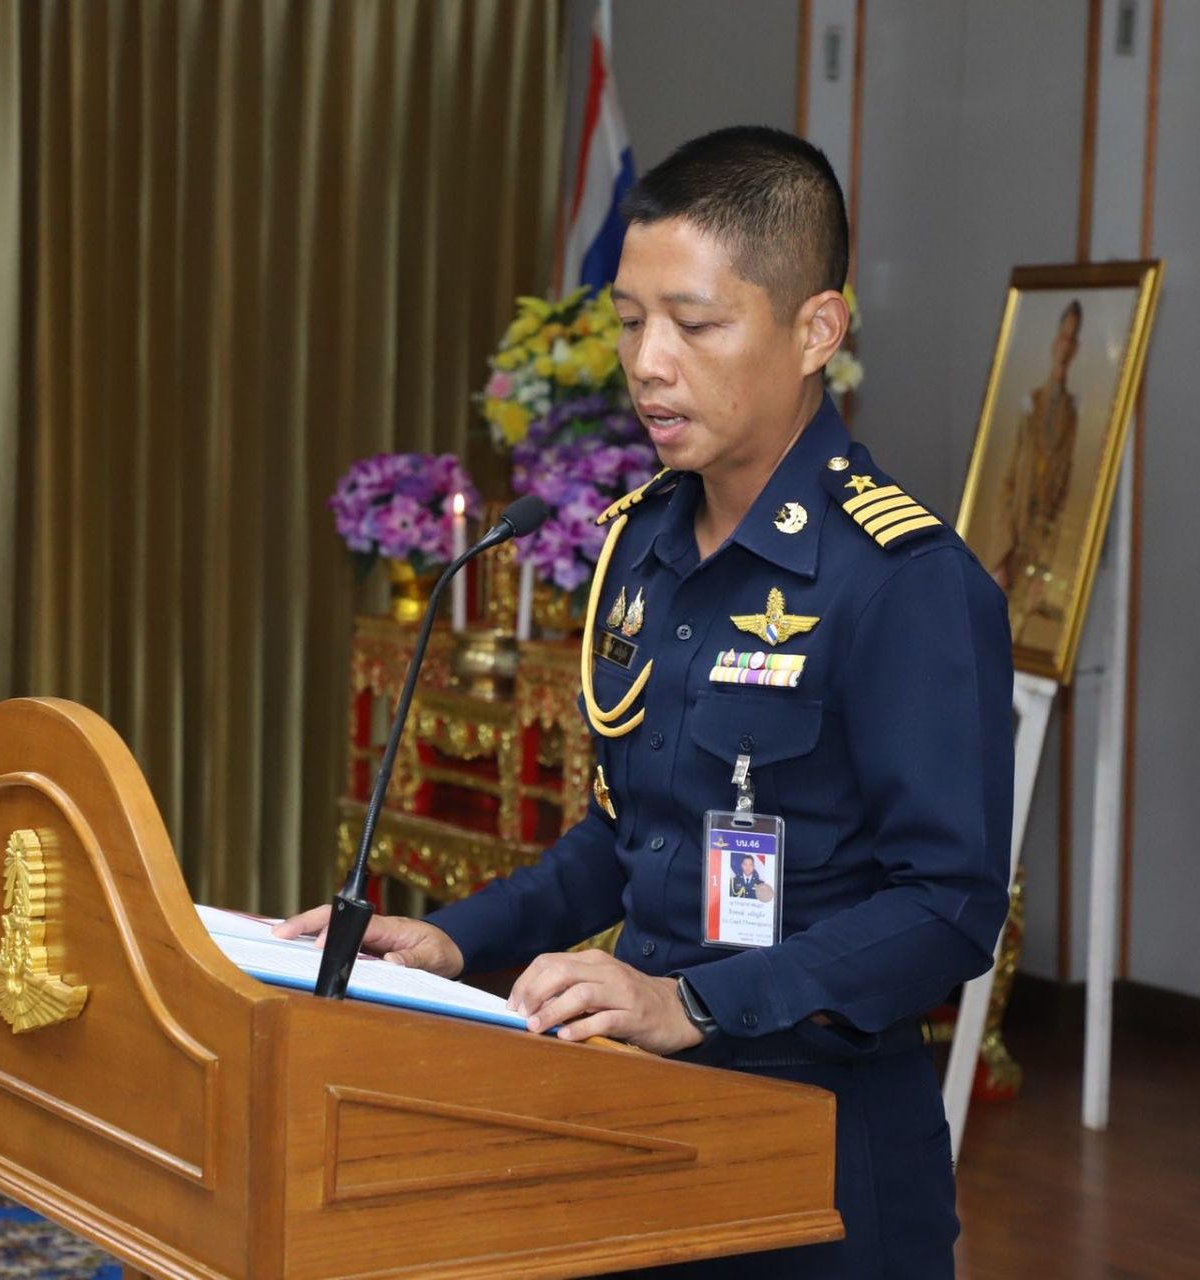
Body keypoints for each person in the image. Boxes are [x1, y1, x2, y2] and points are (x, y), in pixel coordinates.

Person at [278, 125, 1012, 1277]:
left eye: (694, 323)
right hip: (632, 1123)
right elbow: (631, 837)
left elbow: (947, 908)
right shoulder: (644, 544)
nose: (648, 363)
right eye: (629, 321)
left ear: (816, 331)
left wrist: (694, 1003)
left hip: (817, 1155)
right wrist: (455, 937)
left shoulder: (901, 581)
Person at [990, 299, 1083, 631]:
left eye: (1072, 339)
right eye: (1063, 337)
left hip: (1040, 552)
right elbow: (1008, 481)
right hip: (1012, 546)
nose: (1065, 347)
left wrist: (1045, 568)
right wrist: (1001, 556)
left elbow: (1063, 492)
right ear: (1054, 341)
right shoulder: (1031, 404)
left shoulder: (1072, 415)